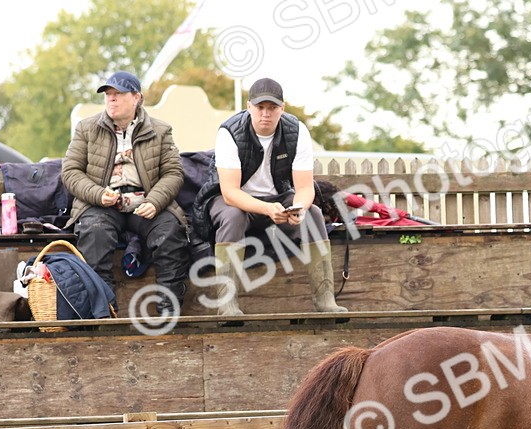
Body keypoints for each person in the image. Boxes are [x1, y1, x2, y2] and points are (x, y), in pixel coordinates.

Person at [190, 78, 346, 316]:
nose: (265, 113)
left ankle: (325, 301)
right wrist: (267, 209)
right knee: (233, 216)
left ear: (282, 108)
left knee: (314, 214)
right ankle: (227, 305)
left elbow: (305, 188)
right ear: (249, 106)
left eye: (272, 107)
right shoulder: (228, 131)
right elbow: (230, 193)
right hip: (233, 201)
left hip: (278, 198)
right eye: (260, 107)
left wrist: (299, 208)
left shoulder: (298, 131)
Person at [61, 71, 191, 315]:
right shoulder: (86, 128)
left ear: (136, 98)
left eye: (118, 94)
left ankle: (168, 309)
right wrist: (97, 194)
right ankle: (105, 311)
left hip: (146, 203)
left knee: (170, 234)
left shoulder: (161, 130)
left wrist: (155, 201)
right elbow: (70, 172)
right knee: (94, 233)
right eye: (108, 94)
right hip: (101, 205)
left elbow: (173, 173)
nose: (111, 99)